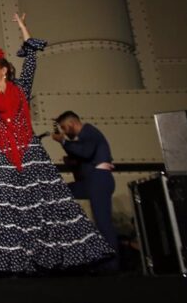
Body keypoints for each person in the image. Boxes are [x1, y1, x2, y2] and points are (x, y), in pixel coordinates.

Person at [0, 13, 114, 274]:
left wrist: (23, 29)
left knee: (44, 205)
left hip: (30, 154)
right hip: (4, 157)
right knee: (5, 208)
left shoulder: (20, 88)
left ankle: (52, 258)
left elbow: (31, 60)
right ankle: (10, 262)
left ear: (4, 70)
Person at [52, 110, 119, 270]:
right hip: (91, 181)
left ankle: (112, 264)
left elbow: (85, 152)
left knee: (103, 223)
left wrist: (63, 142)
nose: (65, 132)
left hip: (99, 180)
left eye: (65, 128)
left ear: (72, 123)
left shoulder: (89, 132)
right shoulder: (84, 137)